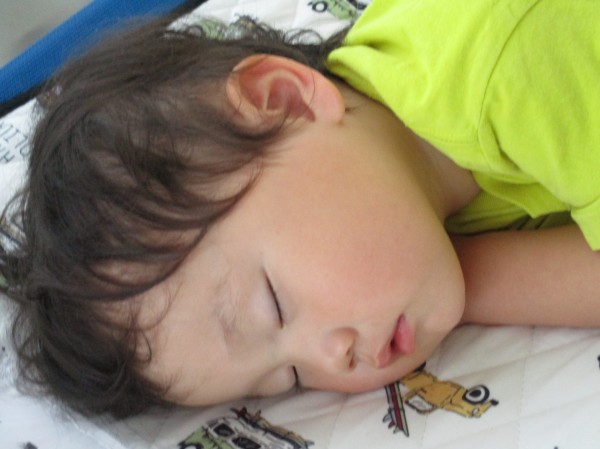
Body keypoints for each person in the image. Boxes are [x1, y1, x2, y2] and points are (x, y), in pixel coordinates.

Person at [1, 0, 599, 419]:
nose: (333, 358)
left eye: (276, 305)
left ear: (287, 99)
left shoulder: (514, 59)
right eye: (291, 378)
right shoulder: (404, 180)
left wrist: (481, 272)